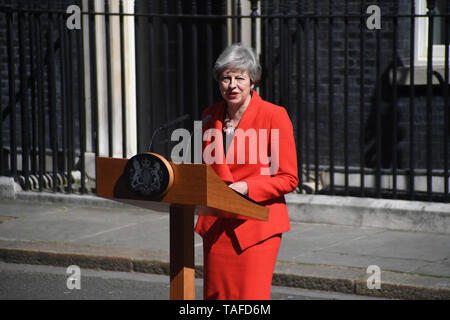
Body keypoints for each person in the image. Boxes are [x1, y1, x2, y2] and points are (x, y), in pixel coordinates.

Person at [195, 43, 299, 300]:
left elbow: (288, 177)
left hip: (255, 229)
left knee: (248, 298)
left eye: (240, 78)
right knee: (216, 297)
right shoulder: (210, 116)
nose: (232, 85)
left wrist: (245, 187)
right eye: (225, 78)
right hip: (217, 225)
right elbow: (206, 170)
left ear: (252, 80)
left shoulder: (274, 115)